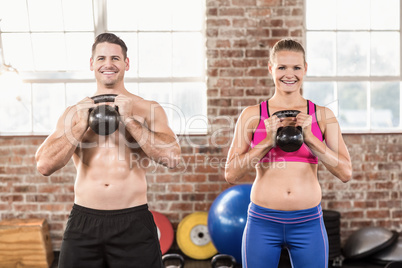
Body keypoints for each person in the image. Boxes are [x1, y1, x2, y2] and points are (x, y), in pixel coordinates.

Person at [35, 33, 181, 268]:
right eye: (101, 58)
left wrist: (131, 121)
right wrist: (80, 125)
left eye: (115, 58)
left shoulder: (147, 108)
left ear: (127, 63)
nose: (108, 64)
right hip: (84, 222)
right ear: (92, 64)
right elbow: (44, 164)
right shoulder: (74, 112)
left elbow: (172, 157)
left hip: (133, 221)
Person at [225, 39, 352, 268]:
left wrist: (311, 139)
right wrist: (266, 143)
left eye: (296, 67)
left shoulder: (322, 115)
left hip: (308, 223)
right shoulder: (252, 115)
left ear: (305, 68)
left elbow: (345, 172)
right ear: (270, 68)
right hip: (262, 222)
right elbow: (231, 174)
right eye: (282, 67)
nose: (289, 74)